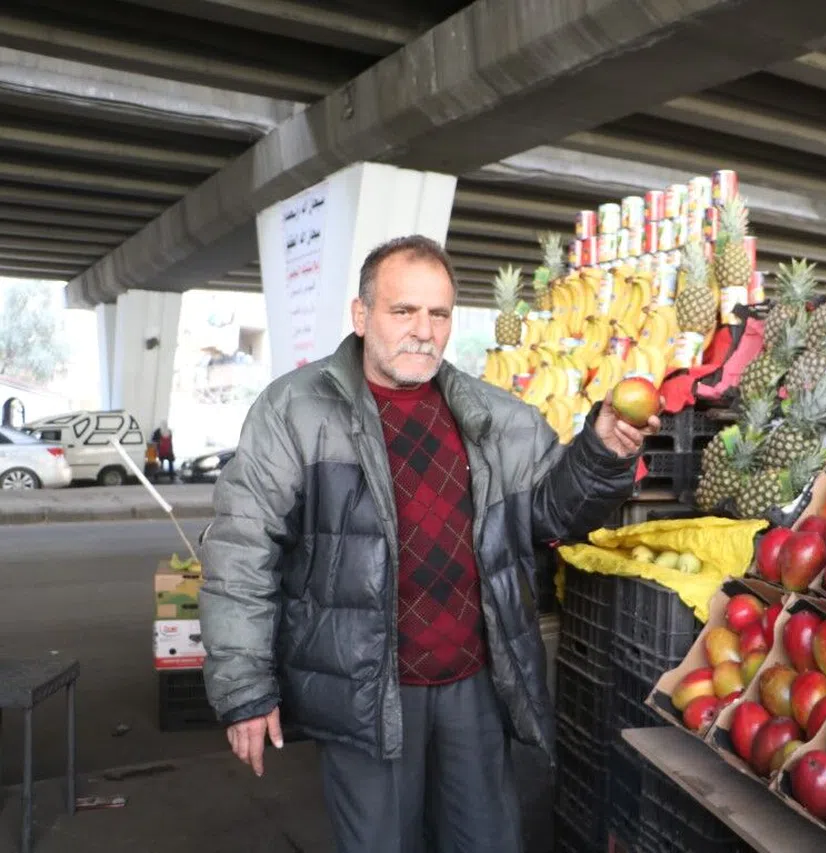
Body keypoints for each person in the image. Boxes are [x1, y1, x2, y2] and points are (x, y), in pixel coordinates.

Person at [198, 235, 658, 853]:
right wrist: (244, 686)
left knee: (487, 841)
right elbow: (241, 548)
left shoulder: (493, 416)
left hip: (474, 685)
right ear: (361, 317)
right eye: (403, 311)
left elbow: (553, 513)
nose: (423, 330)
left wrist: (601, 453)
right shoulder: (295, 411)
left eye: (438, 313)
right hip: (364, 690)